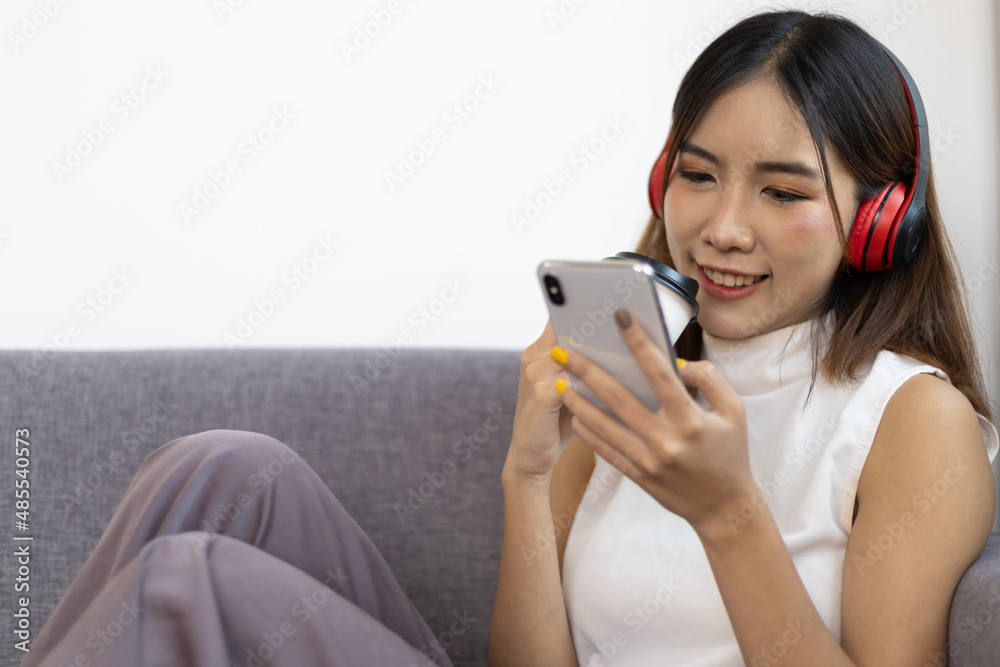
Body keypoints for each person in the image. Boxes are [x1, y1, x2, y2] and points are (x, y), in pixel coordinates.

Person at [489, 9, 998, 667]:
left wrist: (729, 515)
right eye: (698, 175)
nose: (724, 228)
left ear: (881, 219)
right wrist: (526, 477)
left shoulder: (913, 420)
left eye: (782, 192)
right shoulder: (629, 370)